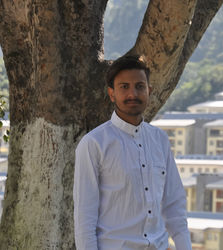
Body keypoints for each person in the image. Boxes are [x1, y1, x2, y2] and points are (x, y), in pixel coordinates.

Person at [73, 55, 191, 250]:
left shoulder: (160, 140)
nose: (132, 94)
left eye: (139, 86)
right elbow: (84, 219)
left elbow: (174, 206)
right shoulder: (94, 144)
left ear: (149, 91)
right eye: (124, 87)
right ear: (112, 94)